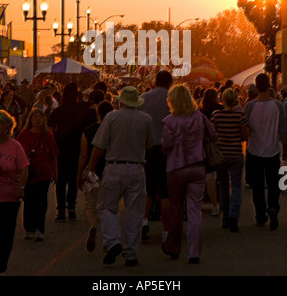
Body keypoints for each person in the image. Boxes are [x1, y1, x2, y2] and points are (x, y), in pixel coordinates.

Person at [85, 86, 154, 267]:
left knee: (107, 207)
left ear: (120, 101)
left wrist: (90, 166)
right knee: (134, 212)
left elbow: (99, 146)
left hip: (114, 167)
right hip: (137, 168)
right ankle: (130, 253)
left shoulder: (111, 117)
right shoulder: (146, 119)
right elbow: (149, 145)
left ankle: (113, 241)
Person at [161, 85, 217, 264]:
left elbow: (166, 146)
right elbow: (214, 136)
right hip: (197, 165)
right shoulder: (199, 117)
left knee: (176, 209)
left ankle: (174, 246)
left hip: (176, 168)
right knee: (195, 211)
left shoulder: (169, 121)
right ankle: (193, 252)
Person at [0, 110, 29, 275]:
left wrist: (20, 188)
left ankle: (0, 267)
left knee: (5, 235)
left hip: (10, 199)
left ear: (6, 127)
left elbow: (24, 169)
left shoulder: (15, 146)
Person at [243, 73, 287, 229]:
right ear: (269, 85)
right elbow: (283, 130)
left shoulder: (249, 106)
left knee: (257, 186)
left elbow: (244, 127)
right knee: (273, 183)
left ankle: (260, 215)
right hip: (273, 150)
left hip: (254, 151)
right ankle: (273, 206)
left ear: (256, 86)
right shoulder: (278, 106)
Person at [47, 82, 91, 221]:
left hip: (60, 149)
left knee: (60, 181)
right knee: (73, 180)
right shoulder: (82, 110)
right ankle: (71, 207)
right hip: (77, 148)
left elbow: (49, 128)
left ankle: (60, 211)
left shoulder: (58, 111)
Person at [139, 70, 173, 243]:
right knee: (166, 191)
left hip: (147, 148)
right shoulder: (173, 98)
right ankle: (167, 230)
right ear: (169, 82)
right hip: (168, 150)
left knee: (148, 188)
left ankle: (144, 222)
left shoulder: (143, 98)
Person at [16, 109, 59, 242]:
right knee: (28, 201)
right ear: (31, 119)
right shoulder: (24, 135)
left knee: (41, 201)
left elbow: (53, 156)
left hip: (44, 173)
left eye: (40, 117)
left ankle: (39, 229)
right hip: (27, 173)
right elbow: (16, 154)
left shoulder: (47, 136)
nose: (38, 119)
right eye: (35, 117)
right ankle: (29, 228)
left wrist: (55, 172)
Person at [77, 100, 114, 252]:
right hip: (111, 170)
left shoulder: (88, 130)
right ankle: (109, 240)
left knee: (89, 206)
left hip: (93, 173)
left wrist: (80, 173)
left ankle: (92, 227)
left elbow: (83, 154)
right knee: (109, 207)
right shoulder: (115, 130)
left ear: (98, 113)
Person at [210, 88, 248, 232]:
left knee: (223, 186)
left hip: (221, 155)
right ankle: (234, 216)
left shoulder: (216, 115)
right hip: (236, 154)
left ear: (223, 99)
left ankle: (225, 216)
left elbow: (213, 136)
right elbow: (244, 136)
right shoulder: (240, 114)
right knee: (237, 186)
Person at [199, 88, 223, 217]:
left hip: (201, 147)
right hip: (216, 147)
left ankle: (199, 204)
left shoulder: (201, 112)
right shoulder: (220, 109)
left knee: (203, 176)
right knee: (212, 177)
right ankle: (215, 205)